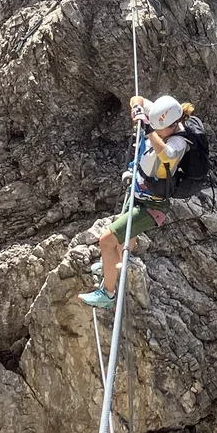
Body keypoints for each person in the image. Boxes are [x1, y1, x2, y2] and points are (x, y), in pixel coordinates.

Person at [80, 93, 192, 310]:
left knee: (106, 240)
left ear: (171, 125)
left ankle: (108, 294)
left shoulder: (179, 141)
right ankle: (109, 267)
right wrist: (138, 110)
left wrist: (149, 130)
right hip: (139, 194)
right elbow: (137, 98)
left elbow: (167, 155)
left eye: (161, 129)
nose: (158, 130)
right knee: (124, 242)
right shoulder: (162, 118)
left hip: (152, 206)